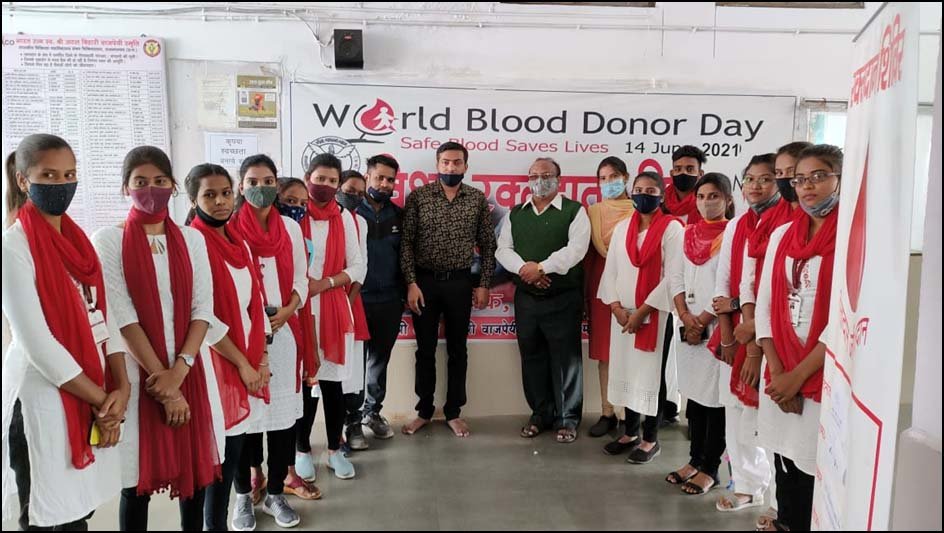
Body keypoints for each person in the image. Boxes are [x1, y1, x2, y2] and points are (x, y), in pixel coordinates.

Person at [92, 146, 224, 531]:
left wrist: (178, 373)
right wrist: (164, 385)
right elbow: (121, 316)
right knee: (136, 484)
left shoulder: (192, 240)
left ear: (173, 186)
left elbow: (203, 309)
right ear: (125, 188)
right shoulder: (108, 240)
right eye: (141, 182)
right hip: (138, 376)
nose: (151, 189)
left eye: (160, 181)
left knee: (193, 477)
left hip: (189, 372)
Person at [2, 134, 128, 530]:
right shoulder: (13, 247)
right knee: (47, 512)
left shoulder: (79, 243)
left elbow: (103, 316)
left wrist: (122, 388)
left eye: (70, 174)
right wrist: (105, 402)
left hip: (90, 390)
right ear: (23, 181)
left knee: (78, 511)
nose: (62, 184)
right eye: (49, 175)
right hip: (43, 396)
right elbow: (37, 343)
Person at [755, 144, 842, 532]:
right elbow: (764, 304)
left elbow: (842, 318)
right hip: (780, 368)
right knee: (782, 456)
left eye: (819, 176)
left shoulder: (852, 237)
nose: (807, 186)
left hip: (819, 374)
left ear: (840, 179)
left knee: (811, 464)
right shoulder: (782, 235)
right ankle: (785, 522)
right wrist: (778, 372)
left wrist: (797, 377)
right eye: (800, 179)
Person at [185, 163, 271, 532]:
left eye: (225, 193)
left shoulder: (240, 242)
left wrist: (261, 357)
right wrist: (243, 365)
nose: (220, 201)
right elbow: (202, 317)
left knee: (234, 452)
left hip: (248, 358)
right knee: (217, 462)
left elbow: (256, 301)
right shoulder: (192, 244)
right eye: (209, 195)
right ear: (193, 199)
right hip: (214, 365)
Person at [230, 154, 312, 529]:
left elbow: (300, 281)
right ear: (240, 186)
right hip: (244, 337)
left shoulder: (290, 229)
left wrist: (286, 311)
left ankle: (276, 493)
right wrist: (258, 321)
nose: (260, 188)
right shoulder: (230, 227)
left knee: (281, 421)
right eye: (252, 182)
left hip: (283, 330)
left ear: (276, 185)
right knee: (245, 421)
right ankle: (243, 496)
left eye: (267, 182)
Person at [711, 154, 791, 518]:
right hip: (737, 330)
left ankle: (777, 500)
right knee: (736, 412)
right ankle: (746, 485)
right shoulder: (738, 225)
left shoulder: (788, 223)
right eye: (750, 179)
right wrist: (729, 336)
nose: (756, 186)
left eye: (766, 178)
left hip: (769, 334)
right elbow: (726, 282)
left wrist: (754, 336)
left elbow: (776, 289)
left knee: (767, 419)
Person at [399, 141, 497, 438]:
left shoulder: (476, 199)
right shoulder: (419, 197)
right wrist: (411, 282)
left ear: (466, 165)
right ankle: (424, 411)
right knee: (425, 350)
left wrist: (483, 284)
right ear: (437, 164)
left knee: (458, 350)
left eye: (456, 162)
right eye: (445, 162)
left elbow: (488, 244)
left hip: (460, 283)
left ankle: (453, 411)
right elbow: (406, 243)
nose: (451, 167)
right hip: (424, 284)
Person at [497, 157, 590, 443]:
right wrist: (526, 271)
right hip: (527, 299)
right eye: (534, 175)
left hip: (563, 298)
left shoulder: (575, 211)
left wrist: (541, 268)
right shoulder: (515, 214)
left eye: (547, 175)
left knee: (566, 360)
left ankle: (567, 419)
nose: (540, 181)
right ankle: (540, 414)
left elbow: (576, 250)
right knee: (532, 357)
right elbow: (503, 250)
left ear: (559, 180)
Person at [597, 171, 684, 464]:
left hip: (655, 317)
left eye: (650, 190)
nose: (643, 195)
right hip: (623, 317)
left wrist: (642, 312)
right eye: (639, 189)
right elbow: (611, 271)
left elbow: (673, 277)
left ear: (661, 195)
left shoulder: (673, 229)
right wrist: (617, 308)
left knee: (651, 376)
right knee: (628, 372)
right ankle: (630, 433)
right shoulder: (623, 228)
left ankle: (650, 439)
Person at [297, 153, 366, 480]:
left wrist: (323, 284)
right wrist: (302, 288)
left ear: (338, 185)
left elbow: (357, 266)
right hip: (298, 309)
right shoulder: (292, 215)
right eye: (319, 178)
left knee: (333, 386)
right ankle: (301, 451)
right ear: (307, 178)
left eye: (332, 180)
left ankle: (334, 451)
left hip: (333, 309)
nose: (325, 185)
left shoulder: (346, 219)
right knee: (304, 384)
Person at [666, 173, 734, 495]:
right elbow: (675, 278)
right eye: (702, 196)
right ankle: (694, 460)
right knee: (693, 397)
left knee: (714, 400)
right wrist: (685, 316)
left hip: (717, 327)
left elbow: (727, 283)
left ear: (728, 200)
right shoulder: (687, 234)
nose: (707, 202)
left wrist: (703, 319)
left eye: (714, 196)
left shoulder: (732, 234)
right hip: (688, 325)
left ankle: (711, 468)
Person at [271, 177, 324, 498]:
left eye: (303, 204)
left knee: (294, 401)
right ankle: (255, 478)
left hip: (297, 318)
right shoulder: (242, 231)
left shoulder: (301, 237)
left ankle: (289, 473)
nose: (297, 208)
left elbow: (302, 285)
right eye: (290, 201)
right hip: (261, 324)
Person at [353, 155, 404, 441]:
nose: (384, 184)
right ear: (367, 177)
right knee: (353, 364)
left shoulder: (398, 215)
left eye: (390, 180)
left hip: (389, 301)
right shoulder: (349, 211)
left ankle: (372, 412)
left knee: (379, 362)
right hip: (356, 300)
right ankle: (351, 421)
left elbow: (405, 257)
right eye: (379, 178)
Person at [584, 156, 634, 438]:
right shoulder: (593, 212)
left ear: (625, 177)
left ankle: (630, 414)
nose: (608, 183)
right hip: (601, 288)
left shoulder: (641, 209)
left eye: (613, 176)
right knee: (605, 353)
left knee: (631, 353)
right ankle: (608, 412)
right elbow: (589, 257)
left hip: (632, 286)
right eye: (602, 178)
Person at [335, 170, 371, 451]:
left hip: (349, 301)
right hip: (318, 299)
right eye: (349, 191)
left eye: (360, 193)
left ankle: (352, 423)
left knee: (352, 371)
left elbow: (361, 266)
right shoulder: (308, 219)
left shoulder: (360, 222)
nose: (354, 197)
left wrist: (347, 301)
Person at [774, 142, 813, 210]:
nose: (784, 177)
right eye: (779, 172)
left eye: (791, 171)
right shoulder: (775, 212)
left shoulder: (817, 213)